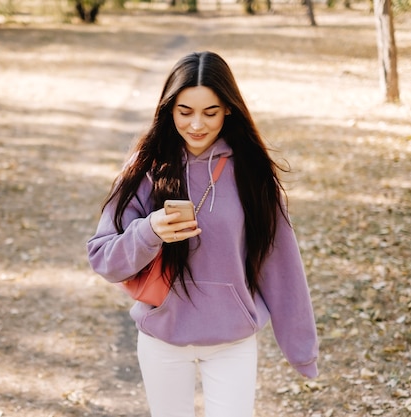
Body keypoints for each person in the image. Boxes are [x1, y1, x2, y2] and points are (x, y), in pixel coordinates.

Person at [87, 51, 318, 417]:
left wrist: (301, 348)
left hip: (232, 340)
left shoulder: (253, 173)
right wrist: (149, 231)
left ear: (228, 109)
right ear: (169, 110)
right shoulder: (146, 168)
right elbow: (103, 257)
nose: (197, 125)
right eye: (185, 111)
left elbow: (282, 265)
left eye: (210, 112)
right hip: (163, 337)